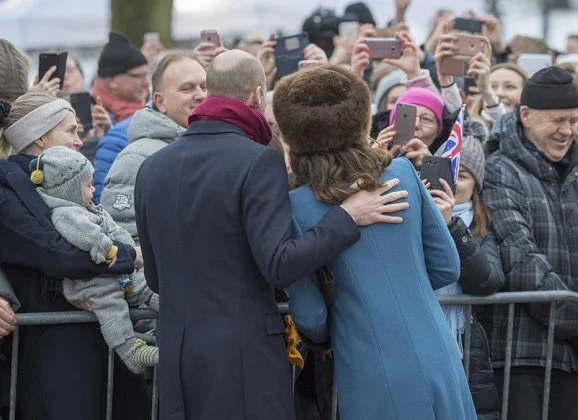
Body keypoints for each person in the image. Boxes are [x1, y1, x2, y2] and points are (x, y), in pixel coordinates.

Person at [134, 50, 408, 419]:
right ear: (255, 95)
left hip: (178, 352)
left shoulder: (152, 167)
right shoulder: (257, 159)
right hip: (244, 356)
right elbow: (279, 264)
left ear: (210, 92)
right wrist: (344, 217)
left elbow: (154, 276)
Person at [276, 64, 474, 420]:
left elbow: (311, 315)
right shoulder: (402, 173)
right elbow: (446, 264)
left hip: (369, 364)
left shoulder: (298, 206)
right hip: (439, 352)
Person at [0, 92, 150, 419]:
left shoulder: (68, 179)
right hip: (53, 351)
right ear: (38, 136)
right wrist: (127, 256)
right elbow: (57, 253)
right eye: (70, 131)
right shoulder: (10, 189)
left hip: (91, 341)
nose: (80, 141)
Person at [482, 67, 578, 420]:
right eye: (557, 120)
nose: (567, 131)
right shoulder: (500, 170)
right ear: (525, 115)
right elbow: (521, 259)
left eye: (573, 121)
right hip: (522, 356)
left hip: (576, 359)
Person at [31, 145, 159, 373]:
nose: (93, 191)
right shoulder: (66, 214)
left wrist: (125, 244)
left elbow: (113, 227)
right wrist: (109, 249)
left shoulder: (90, 208)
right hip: (90, 283)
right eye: (88, 186)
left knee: (144, 286)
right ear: (69, 190)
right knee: (112, 307)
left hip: (114, 272)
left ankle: (172, 306)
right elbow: (85, 235)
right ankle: (131, 351)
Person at [431, 135, 505, 419]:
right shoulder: (411, 218)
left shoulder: (482, 229)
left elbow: (487, 280)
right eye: (445, 172)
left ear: (476, 185)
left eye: (460, 175)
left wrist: (450, 225)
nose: (451, 182)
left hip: (467, 350)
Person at [102, 50, 207, 241]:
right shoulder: (135, 160)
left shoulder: (218, 145)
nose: (200, 95)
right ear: (160, 101)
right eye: (187, 88)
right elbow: (122, 243)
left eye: (204, 86)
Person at [92, 31, 149, 201]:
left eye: (147, 75)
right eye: (138, 76)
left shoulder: (151, 109)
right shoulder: (86, 114)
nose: (146, 82)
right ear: (111, 80)